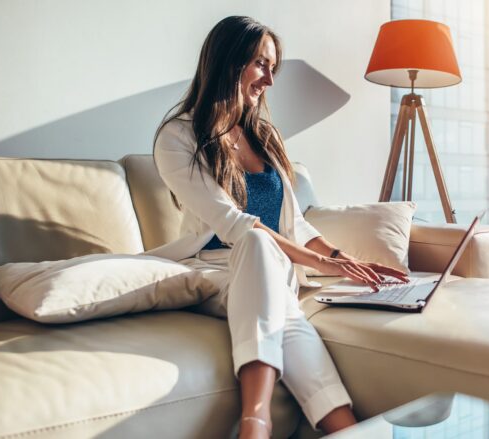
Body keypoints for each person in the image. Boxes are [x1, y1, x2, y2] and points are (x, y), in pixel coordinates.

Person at [148, 16, 408, 439]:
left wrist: (347, 261)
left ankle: (346, 431)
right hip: (217, 270)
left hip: (275, 274)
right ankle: (258, 419)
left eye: (273, 68)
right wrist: (328, 265)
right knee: (254, 243)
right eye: (260, 65)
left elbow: (296, 223)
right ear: (229, 62)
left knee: (283, 306)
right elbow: (235, 225)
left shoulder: (263, 135)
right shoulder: (176, 138)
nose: (269, 79)